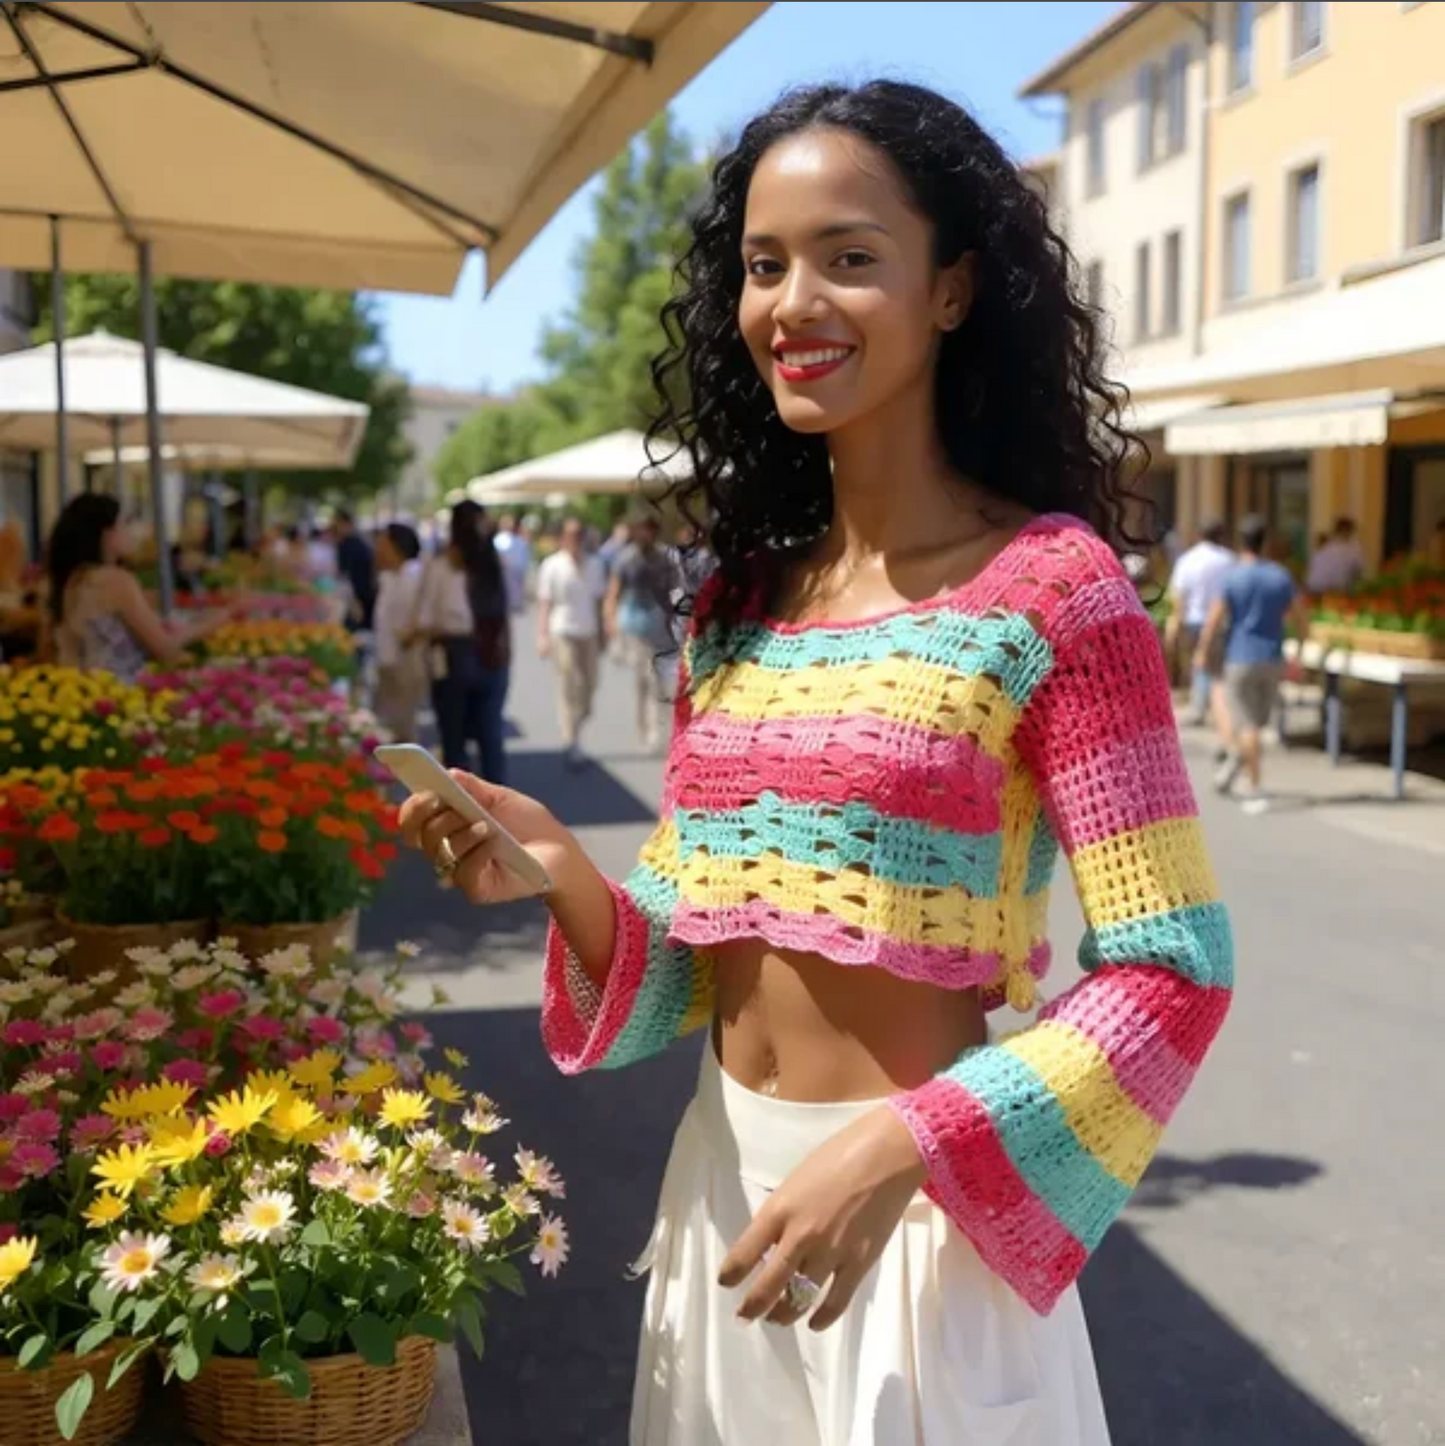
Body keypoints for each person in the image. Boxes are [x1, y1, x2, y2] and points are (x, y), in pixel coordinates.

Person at [400, 80, 1232, 1446]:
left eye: (851, 258)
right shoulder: (737, 602)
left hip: (915, 1228)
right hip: (721, 1200)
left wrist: (905, 1145)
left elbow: (1175, 965)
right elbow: (690, 957)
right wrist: (562, 873)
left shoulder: (1055, 593)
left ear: (952, 290)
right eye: (765, 263)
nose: (795, 302)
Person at [44, 494, 236, 681]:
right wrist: (211, 623)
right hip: (119, 696)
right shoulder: (115, 581)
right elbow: (164, 648)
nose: (130, 532)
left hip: (80, 693)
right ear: (106, 534)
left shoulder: (73, 580)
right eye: (124, 524)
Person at [1198, 514, 1310, 815]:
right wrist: (1298, 650)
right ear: (1267, 542)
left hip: (1240, 657)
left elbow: (1214, 619)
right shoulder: (1280, 576)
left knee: (1248, 726)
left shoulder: (1233, 577)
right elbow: (1301, 617)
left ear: (1240, 542)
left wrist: (1202, 650)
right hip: (1272, 658)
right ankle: (1236, 765)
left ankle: (1254, 785)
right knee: (1256, 724)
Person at [412, 499, 510, 782]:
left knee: (454, 739)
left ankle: (463, 808)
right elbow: (507, 611)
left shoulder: (442, 565)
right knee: (490, 736)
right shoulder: (492, 563)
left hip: (454, 652)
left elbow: (426, 618)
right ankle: (498, 806)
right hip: (491, 652)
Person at [606, 510, 682, 753]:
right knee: (644, 680)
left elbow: (675, 591)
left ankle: (655, 731)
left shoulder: (665, 559)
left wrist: (678, 621)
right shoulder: (626, 558)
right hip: (635, 627)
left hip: (659, 626)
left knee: (656, 681)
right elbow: (614, 591)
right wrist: (610, 623)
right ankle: (645, 729)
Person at [535, 516, 607, 769]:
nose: (575, 539)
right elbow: (545, 603)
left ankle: (578, 721)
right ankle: (571, 739)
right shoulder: (552, 565)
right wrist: (542, 635)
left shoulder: (596, 564)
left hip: (588, 631)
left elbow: (599, 601)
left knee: (589, 687)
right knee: (569, 686)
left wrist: (604, 632)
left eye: (579, 534)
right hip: (562, 631)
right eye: (571, 534)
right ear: (563, 538)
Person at [1166, 520, 1234, 726]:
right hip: (1221, 621)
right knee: (1216, 666)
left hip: (1193, 619)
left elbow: (1179, 595)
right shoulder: (1228, 559)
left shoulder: (1187, 559)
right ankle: (1212, 705)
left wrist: (1175, 623)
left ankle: (1201, 706)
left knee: (1198, 661)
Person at [371, 523, 427, 743]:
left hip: (406, 659)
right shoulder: (390, 576)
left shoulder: (413, 575)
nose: (377, 549)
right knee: (391, 720)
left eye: (383, 544)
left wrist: (409, 637)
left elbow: (424, 616)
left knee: (403, 725)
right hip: (388, 658)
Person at [333, 507, 377, 634]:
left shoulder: (353, 544)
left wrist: (355, 600)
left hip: (360, 598)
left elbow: (351, 574)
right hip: (356, 597)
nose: (336, 527)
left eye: (338, 523)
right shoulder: (352, 543)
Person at [1305, 517, 1366, 595]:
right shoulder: (1331, 545)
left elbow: (1360, 569)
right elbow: (1360, 570)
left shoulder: (1353, 547)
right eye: (1344, 530)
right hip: (1323, 588)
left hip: (1321, 588)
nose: (1346, 533)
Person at [492, 512, 532, 615]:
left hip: (516, 574)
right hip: (504, 576)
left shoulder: (518, 540)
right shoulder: (499, 539)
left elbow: (523, 557)